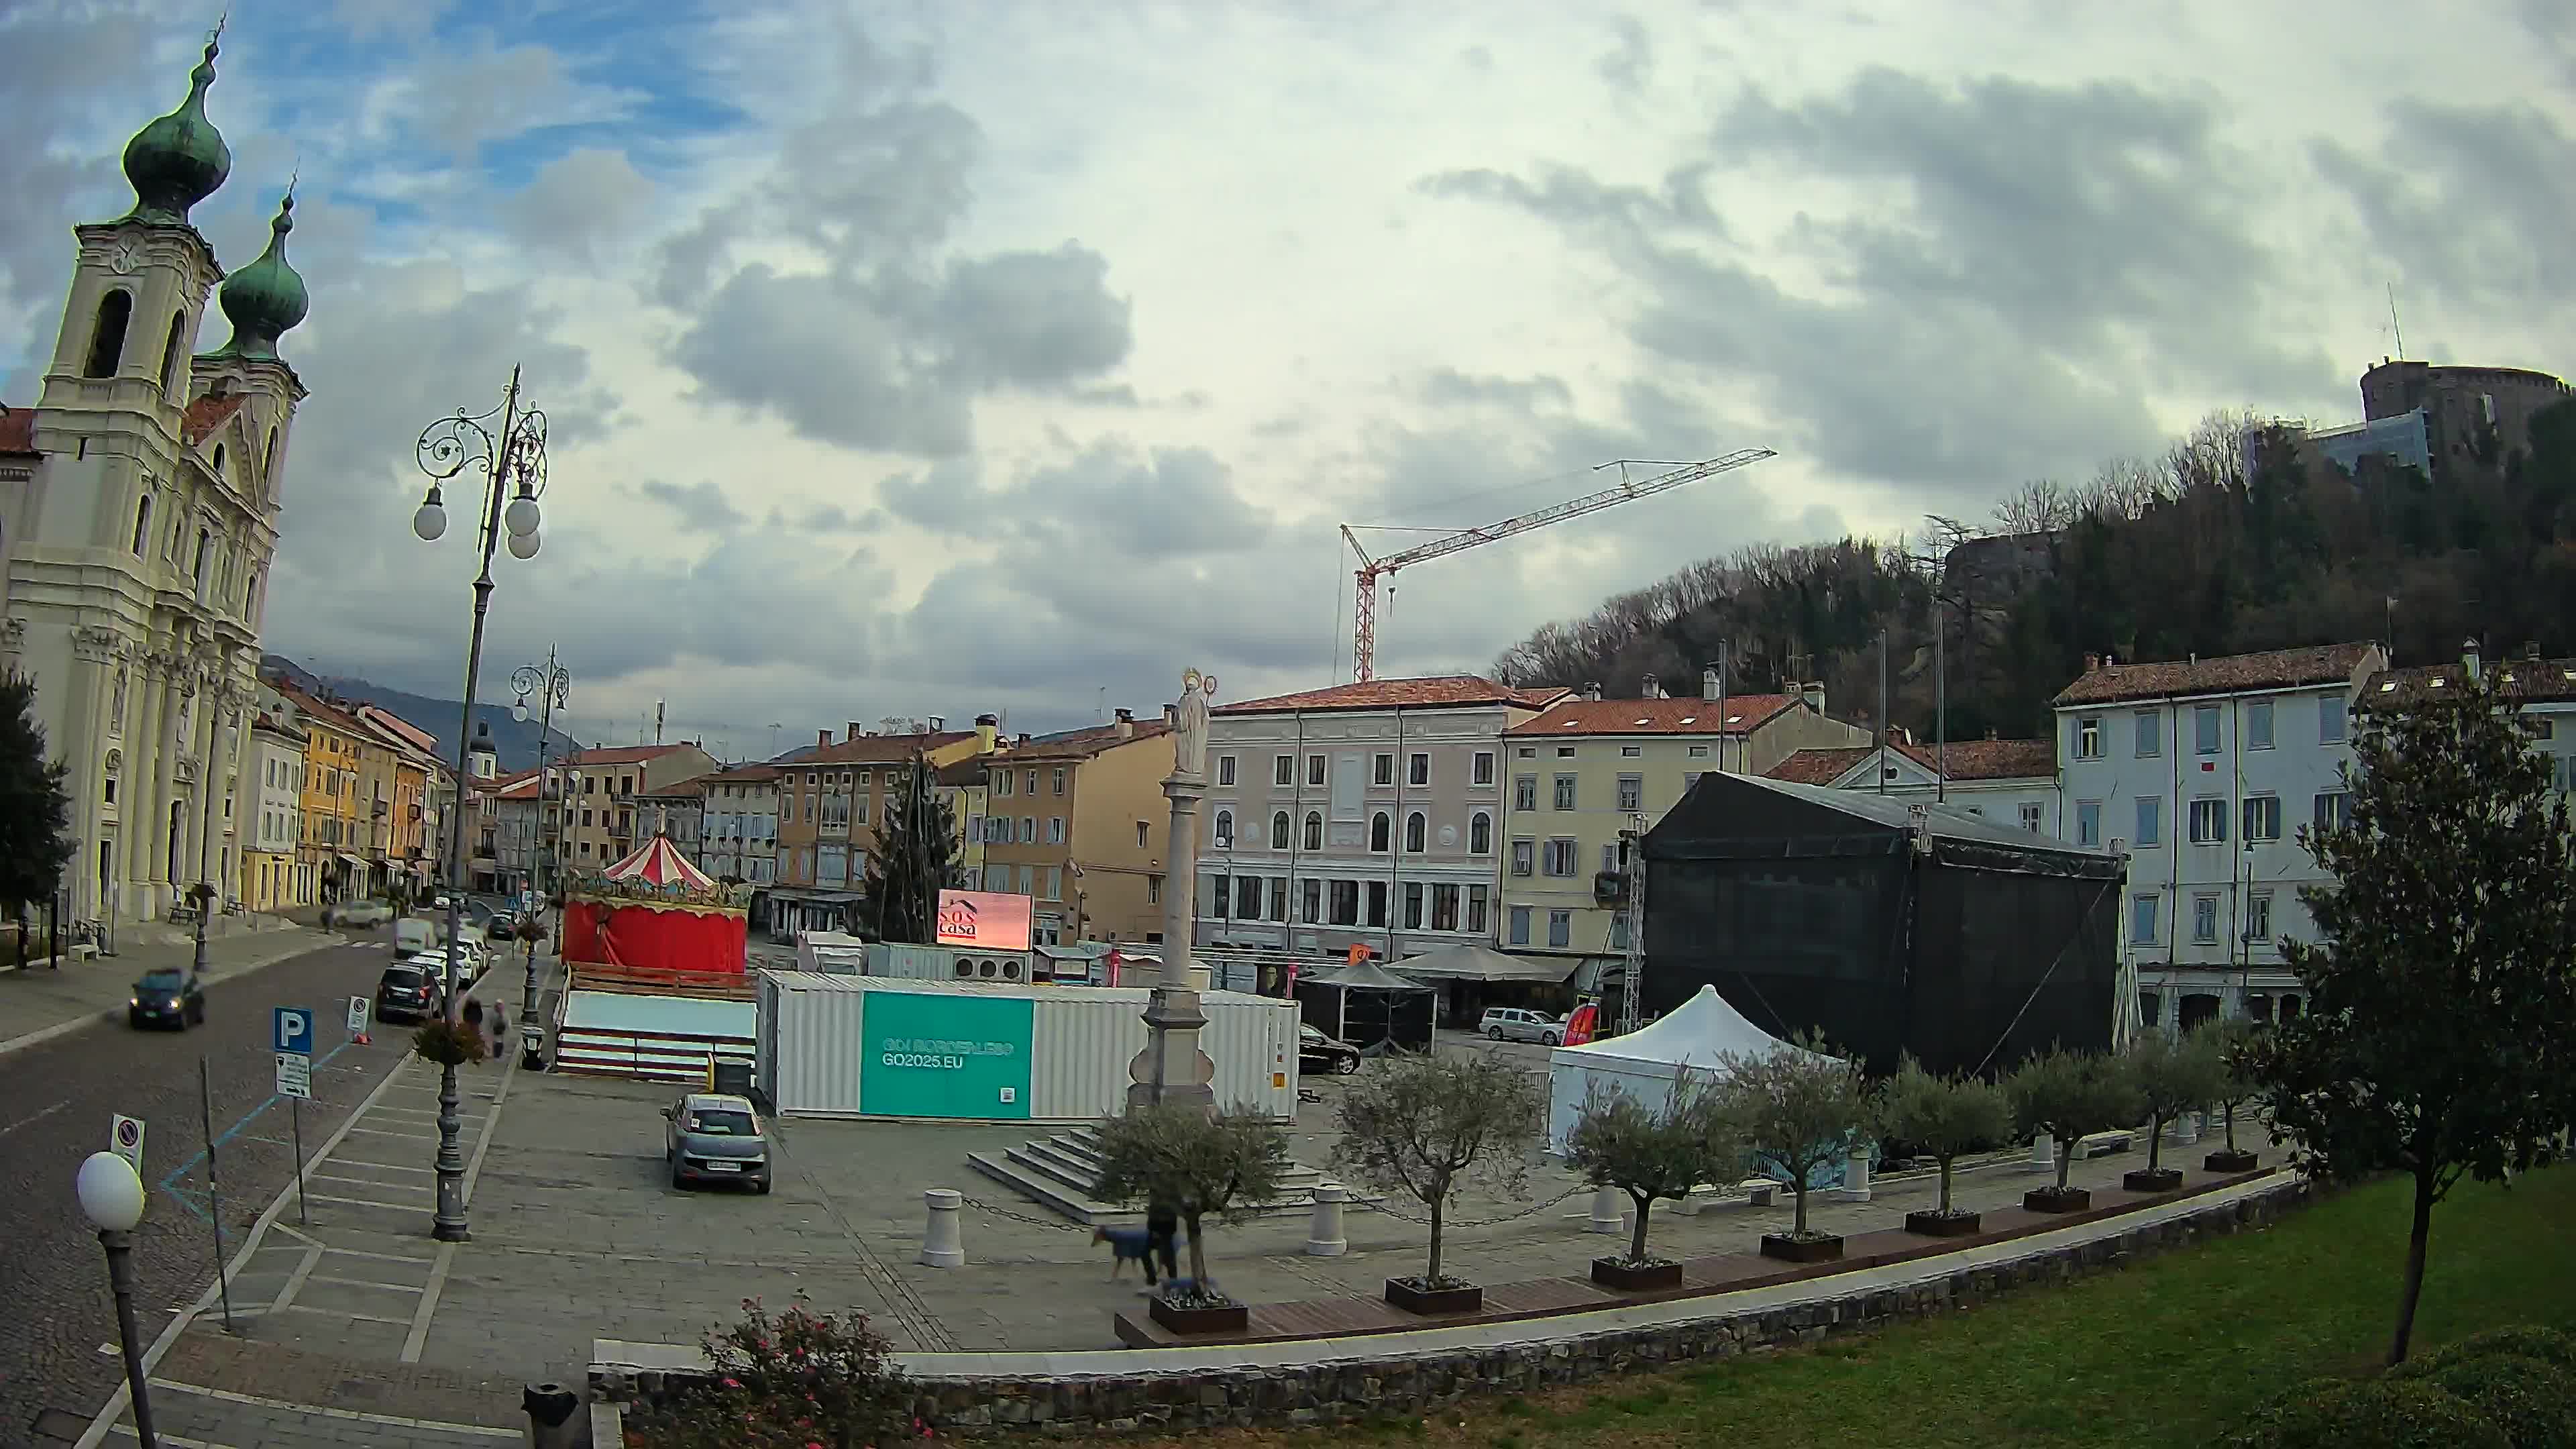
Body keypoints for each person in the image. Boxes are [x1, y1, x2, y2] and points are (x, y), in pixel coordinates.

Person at [1144, 1199, 1180, 1286]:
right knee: (1144, 1253)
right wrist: (1152, 1230)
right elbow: (1151, 1218)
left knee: (1168, 1258)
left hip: (1166, 1233)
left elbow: (1173, 1220)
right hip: (1156, 1232)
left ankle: (1172, 1280)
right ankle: (1152, 1278)